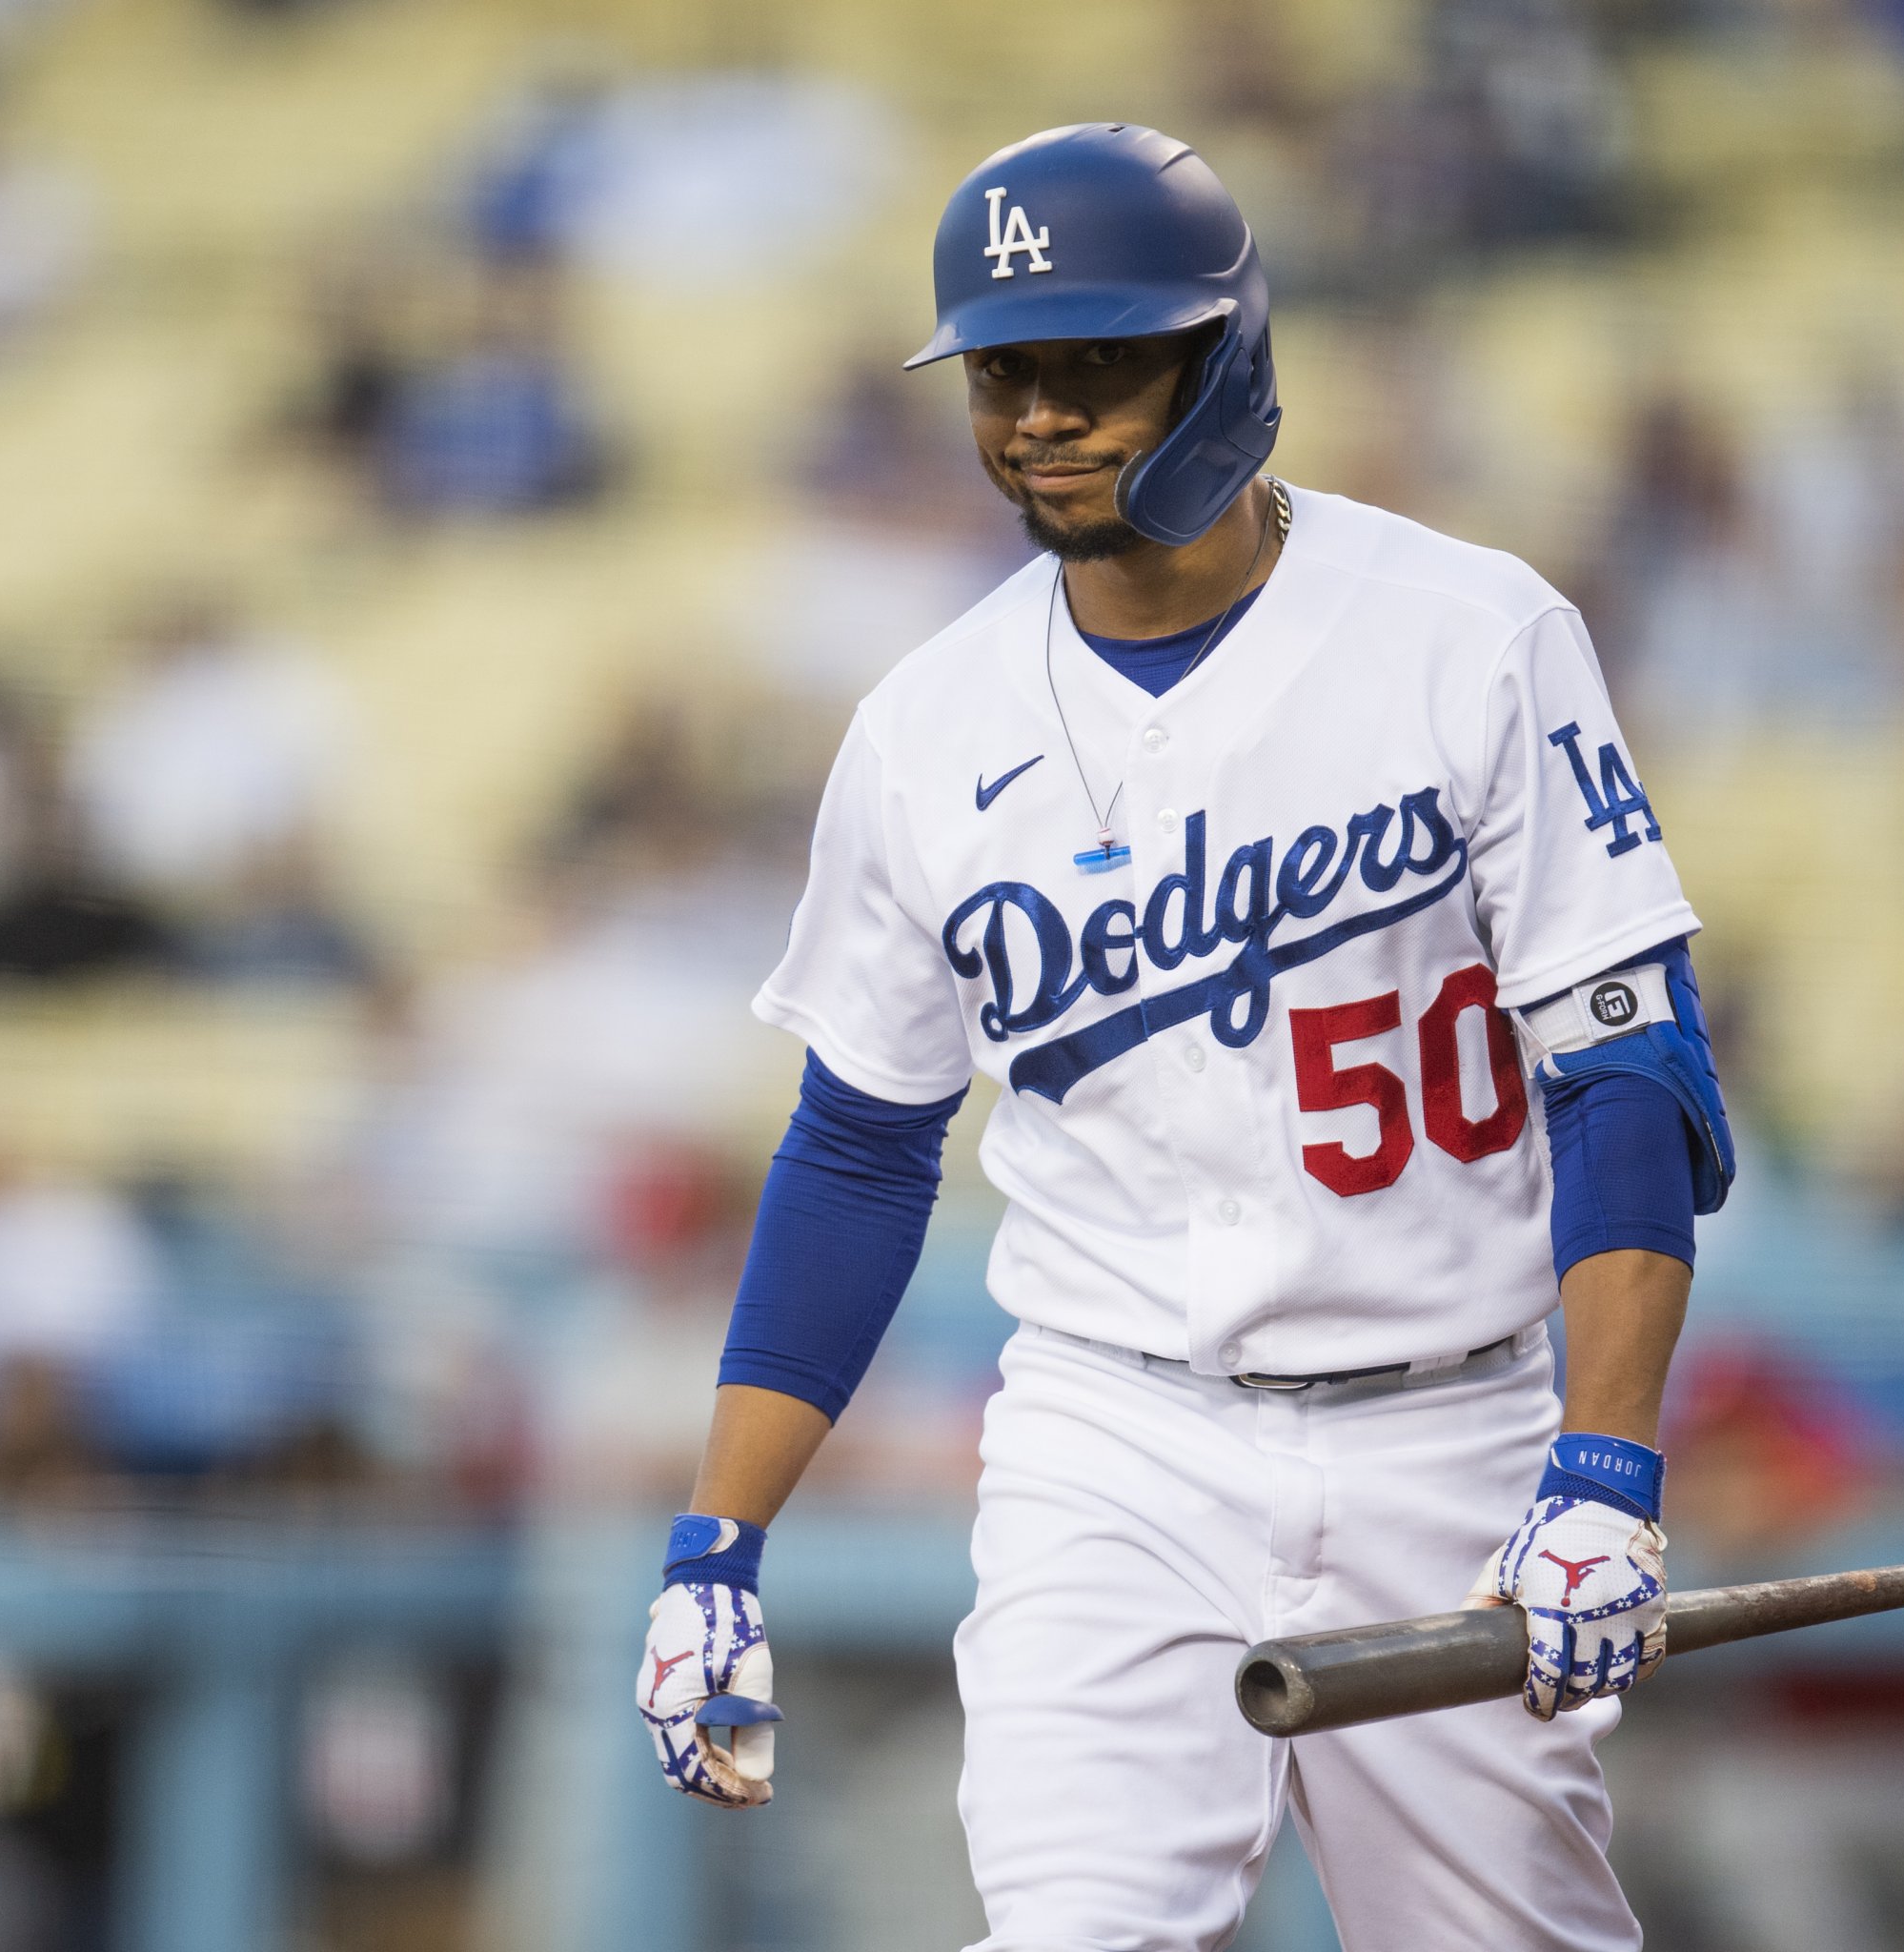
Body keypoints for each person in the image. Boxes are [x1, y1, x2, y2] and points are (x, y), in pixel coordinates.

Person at [632, 124, 1733, 1951]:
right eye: (1004, 371)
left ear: (1226, 356)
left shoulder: (1471, 633)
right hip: (1113, 1433)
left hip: (1446, 1424)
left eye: (1095, 363)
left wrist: (1606, 1469)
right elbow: (856, 1146)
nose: (1040, 416)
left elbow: (1628, 1061)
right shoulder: (924, 726)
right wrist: (716, 1542)